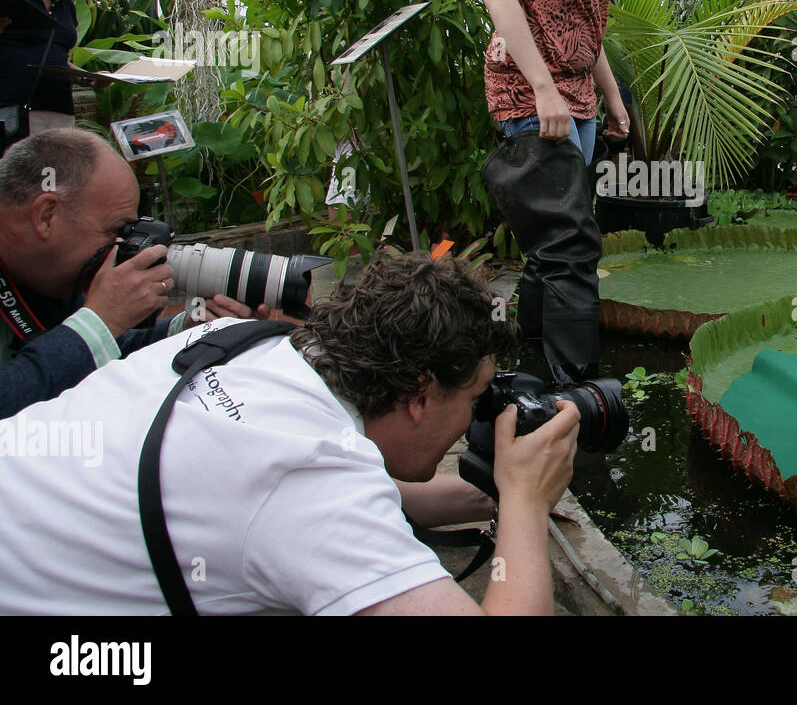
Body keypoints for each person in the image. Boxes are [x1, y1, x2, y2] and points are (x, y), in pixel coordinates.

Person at [0, 253, 580, 615]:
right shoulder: (307, 483)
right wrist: (526, 506)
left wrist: (494, 491)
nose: (473, 417)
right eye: (474, 398)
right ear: (420, 395)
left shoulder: (240, 342)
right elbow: (305, 500)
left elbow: (282, 497)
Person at [478, 0, 630, 384]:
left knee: (551, 247)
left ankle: (532, 374)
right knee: (569, 247)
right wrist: (543, 88)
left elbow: (583, 21)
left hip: (580, 95)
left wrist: (611, 96)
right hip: (533, 93)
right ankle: (579, 395)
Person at [0, 129, 264, 418]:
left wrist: (188, 329)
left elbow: (102, 348)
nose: (124, 248)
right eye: (116, 230)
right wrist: (100, 320)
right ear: (47, 216)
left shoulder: (46, 275)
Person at [0, 0, 84, 144]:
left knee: (52, 174)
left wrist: (87, 77)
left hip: (56, 108)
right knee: (13, 175)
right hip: (11, 106)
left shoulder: (65, 5)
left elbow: (54, 57)